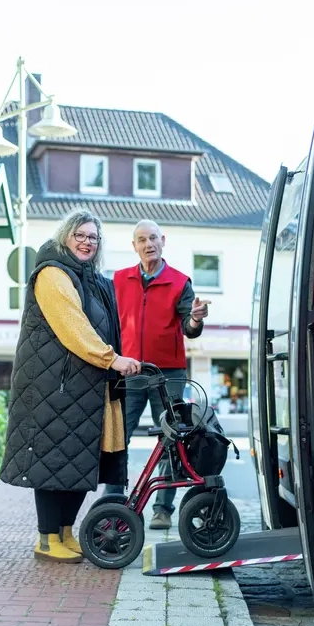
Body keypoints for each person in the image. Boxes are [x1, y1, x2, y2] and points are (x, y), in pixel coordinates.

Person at [0, 209, 141, 563]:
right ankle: (47, 540)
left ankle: (65, 531)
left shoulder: (92, 279)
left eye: (93, 237)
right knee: (53, 460)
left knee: (82, 460)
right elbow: (73, 326)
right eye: (80, 234)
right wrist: (112, 359)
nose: (87, 242)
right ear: (65, 236)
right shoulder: (52, 274)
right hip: (54, 387)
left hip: (86, 385)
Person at [105, 219, 209, 530]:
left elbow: (191, 330)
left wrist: (195, 319)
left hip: (169, 374)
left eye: (153, 238)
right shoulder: (119, 280)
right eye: (141, 239)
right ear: (134, 245)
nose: (148, 244)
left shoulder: (180, 282)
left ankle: (163, 508)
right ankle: (113, 502)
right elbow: (108, 323)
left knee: (171, 438)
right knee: (118, 436)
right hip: (130, 370)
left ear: (162, 240)